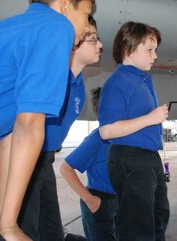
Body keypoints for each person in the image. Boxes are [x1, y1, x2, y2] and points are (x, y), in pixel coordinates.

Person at [0, 0, 95, 241]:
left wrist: (4, 222)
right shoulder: (56, 27)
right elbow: (30, 127)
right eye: (87, 14)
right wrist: (8, 226)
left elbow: (11, 138)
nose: (86, 27)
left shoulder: (24, 28)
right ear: (66, 6)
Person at [0, 15, 102, 241]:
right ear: (74, 45)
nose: (100, 45)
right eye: (93, 39)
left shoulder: (77, 87)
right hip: (20, 158)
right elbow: (8, 122)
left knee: (51, 232)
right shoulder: (48, 78)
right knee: (21, 229)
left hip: (44, 161)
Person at [98, 21, 170, 241]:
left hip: (147, 158)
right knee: (137, 227)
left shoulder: (140, 78)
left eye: (155, 50)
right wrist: (150, 119)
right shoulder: (118, 82)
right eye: (149, 50)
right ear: (128, 50)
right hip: (130, 158)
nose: (154, 56)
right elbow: (107, 131)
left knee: (158, 217)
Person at [60, 87, 118, 241]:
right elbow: (65, 168)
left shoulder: (124, 137)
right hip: (100, 202)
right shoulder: (97, 139)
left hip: (122, 200)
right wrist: (89, 200)